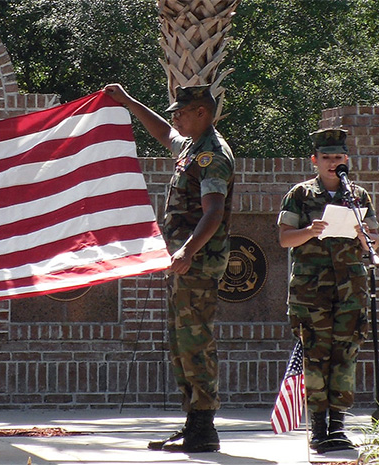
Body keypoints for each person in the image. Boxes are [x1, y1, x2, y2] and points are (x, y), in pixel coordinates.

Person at [103, 83, 234, 453]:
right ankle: (193, 422)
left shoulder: (212, 154)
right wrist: (129, 101)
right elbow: (164, 132)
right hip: (183, 263)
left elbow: (213, 211)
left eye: (182, 111)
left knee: (195, 342)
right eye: (174, 111)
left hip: (198, 263)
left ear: (202, 114)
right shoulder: (193, 146)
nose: (175, 116)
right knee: (180, 342)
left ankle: (204, 428)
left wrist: (188, 251)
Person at [277, 128, 377, 453]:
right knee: (316, 357)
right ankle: (318, 429)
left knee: (344, 356)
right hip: (311, 293)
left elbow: (373, 238)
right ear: (315, 161)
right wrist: (309, 231)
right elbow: (284, 238)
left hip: (350, 290)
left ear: (346, 159)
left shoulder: (358, 196)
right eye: (327, 158)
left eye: (338, 157)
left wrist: (365, 238)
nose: (333, 163)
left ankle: (338, 426)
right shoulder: (300, 196)